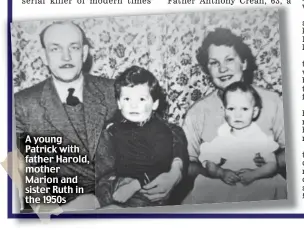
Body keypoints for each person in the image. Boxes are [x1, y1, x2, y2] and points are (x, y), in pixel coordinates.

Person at [14, 21, 186, 211]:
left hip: (126, 195)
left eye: (74, 47)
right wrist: (50, 217)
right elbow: (21, 165)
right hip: (66, 208)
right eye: (55, 48)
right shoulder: (21, 104)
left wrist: (175, 171)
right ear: (43, 56)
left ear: (84, 53)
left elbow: (170, 130)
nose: (66, 56)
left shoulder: (115, 90)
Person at [182, 28, 286, 204]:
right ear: (207, 69)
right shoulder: (197, 112)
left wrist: (266, 164)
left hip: (264, 189)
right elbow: (187, 165)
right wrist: (216, 171)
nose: (222, 69)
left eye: (229, 59)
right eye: (214, 62)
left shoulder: (272, 101)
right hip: (215, 193)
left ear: (244, 63)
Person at [96, 66, 188, 207]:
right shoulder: (117, 125)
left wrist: (135, 185)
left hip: (148, 186)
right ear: (119, 103)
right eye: (127, 99)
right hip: (119, 180)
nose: (134, 105)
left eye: (141, 99)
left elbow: (161, 166)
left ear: (155, 104)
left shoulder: (160, 131)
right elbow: (114, 130)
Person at [184, 81, 286, 204]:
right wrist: (221, 173)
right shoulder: (221, 137)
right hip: (226, 185)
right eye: (231, 109)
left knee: (272, 188)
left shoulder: (260, 137)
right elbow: (210, 164)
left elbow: (272, 165)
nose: (238, 114)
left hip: (256, 182)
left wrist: (254, 174)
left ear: (254, 112)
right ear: (225, 112)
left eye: (244, 109)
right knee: (204, 187)